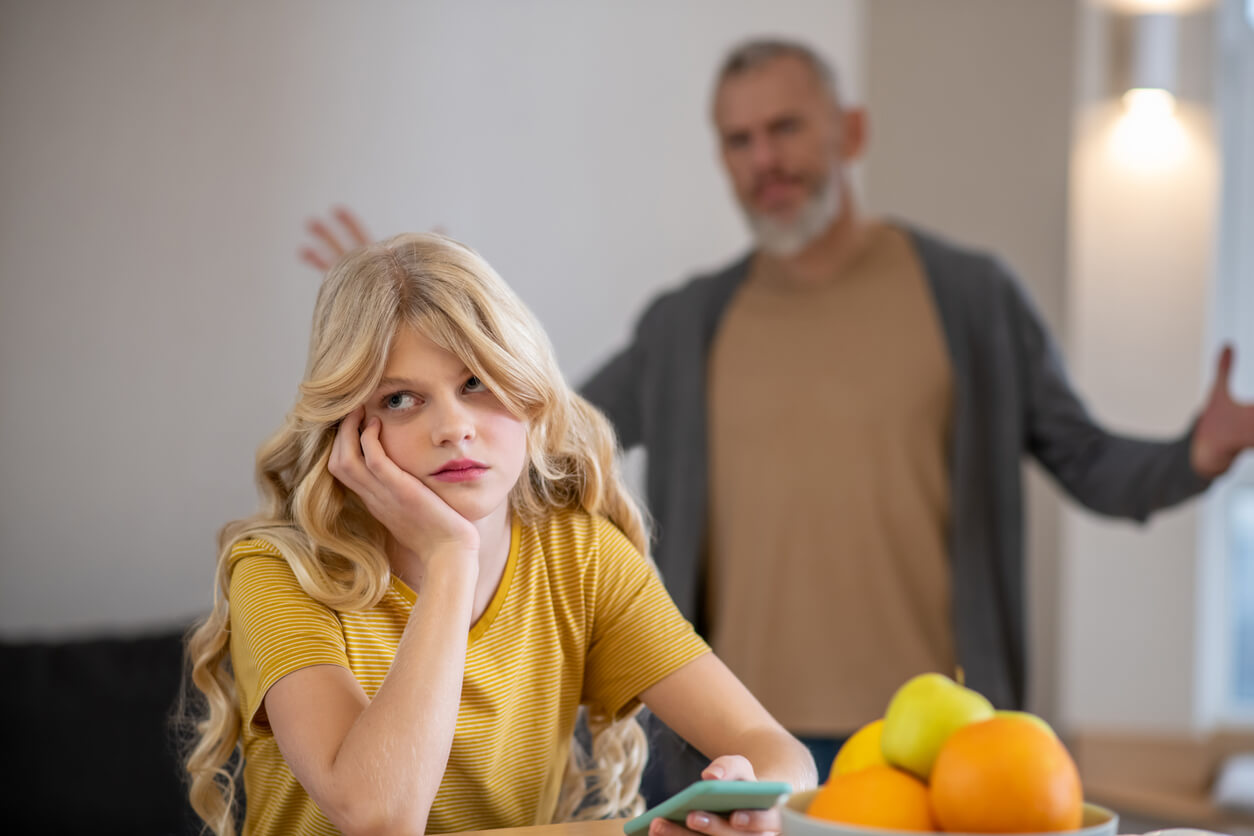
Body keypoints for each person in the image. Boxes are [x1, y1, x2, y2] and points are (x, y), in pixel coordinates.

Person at [296, 38, 1254, 791]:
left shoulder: (970, 298)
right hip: (730, 743)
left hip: (933, 730)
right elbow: (529, 426)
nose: (766, 160)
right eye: (740, 140)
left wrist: (1196, 455)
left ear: (851, 131)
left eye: (787, 129)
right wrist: (427, 315)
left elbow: (1086, 458)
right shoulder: (686, 323)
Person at [182, 232, 816, 836]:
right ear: (350, 429)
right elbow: (380, 817)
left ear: (529, 393)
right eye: (402, 399)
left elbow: (780, 753)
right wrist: (452, 558)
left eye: (476, 383)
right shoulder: (278, 572)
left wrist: (758, 800)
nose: (454, 427)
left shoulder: (580, 556)